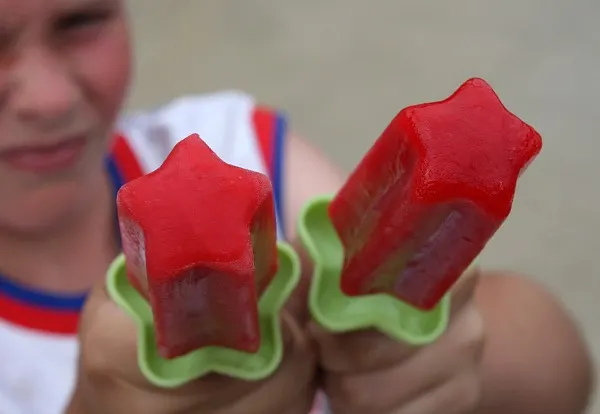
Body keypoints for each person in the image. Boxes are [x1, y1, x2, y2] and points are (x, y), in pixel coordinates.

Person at [0, 0, 593, 413]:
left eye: (81, 20)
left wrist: (441, 363)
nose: (49, 99)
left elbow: (564, 374)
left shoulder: (236, 151)